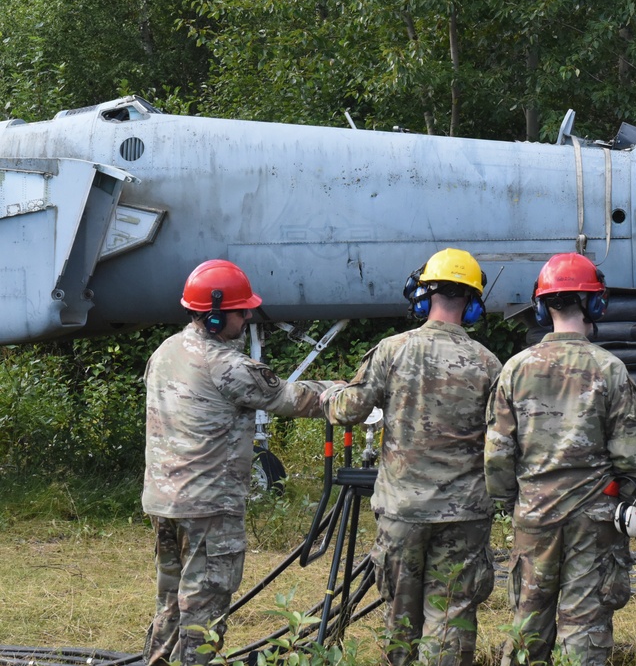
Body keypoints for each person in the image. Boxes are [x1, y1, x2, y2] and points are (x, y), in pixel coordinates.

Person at [143, 259, 334, 666]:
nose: (248, 317)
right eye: (240, 310)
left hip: (165, 503)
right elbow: (294, 398)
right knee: (204, 613)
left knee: (170, 606)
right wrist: (345, 390)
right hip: (209, 508)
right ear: (213, 316)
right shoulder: (227, 365)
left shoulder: (165, 352)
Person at [322, 247, 501, 666]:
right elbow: (502, 438)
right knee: (453, 619)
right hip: (465, 514)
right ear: (473, 303)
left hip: (403, 511)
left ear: (422, 296)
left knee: (399, 621)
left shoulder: (392, 351)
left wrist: (331, 394)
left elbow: (351, 411)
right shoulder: (488, 363)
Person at [485, 252, 636, 666]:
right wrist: (624, 491)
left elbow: (498, 452)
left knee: (528, 621)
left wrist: (511, 501)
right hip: (595, 516)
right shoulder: (610, 369)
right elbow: (629, 453)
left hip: (534, 512)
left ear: (541, 306)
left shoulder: (516, 369)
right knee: (587, 624)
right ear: (595, 304)